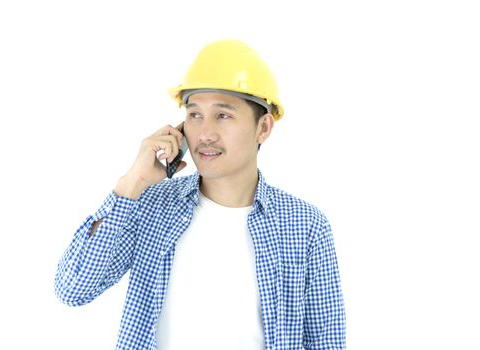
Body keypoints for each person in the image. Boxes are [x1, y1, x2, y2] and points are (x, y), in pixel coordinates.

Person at [55, 39, 346, 350]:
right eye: (194, 115)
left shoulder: (305, 225)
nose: (205, 133)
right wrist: (131, 183)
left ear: (263, 128)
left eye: (223, 115)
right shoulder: (151, 206)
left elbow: (326, 342)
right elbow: (73, 289)